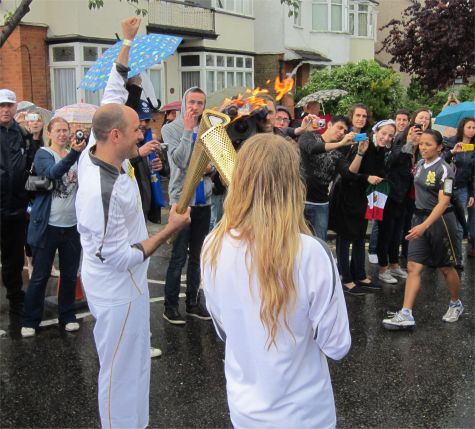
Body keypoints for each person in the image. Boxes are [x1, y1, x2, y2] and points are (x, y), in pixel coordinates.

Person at [75, 17, 190, 428]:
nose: (143, 132)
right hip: (117, 289)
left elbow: (113, 87)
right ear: (114, 136)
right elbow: (114, 256)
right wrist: (170, 230)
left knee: (137, 365)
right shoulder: (97, 192)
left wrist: (126, 41)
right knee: (118, 374)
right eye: (137, 130)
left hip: (134, 285)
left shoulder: (101, 141)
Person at [201, 133, 351, 428]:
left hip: (244, 410)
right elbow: (337, 345)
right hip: (305, 414)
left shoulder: (212, 246)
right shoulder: (311, 253)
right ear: (294, 184)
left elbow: (223, 330)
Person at [383, 130, 463, 329]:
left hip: (440, 222)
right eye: (422, 144)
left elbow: (444, 203)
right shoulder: (419, 164)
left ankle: (456, 303)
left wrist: (424, 225)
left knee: (445, 268)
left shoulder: (445, 170)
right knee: (413, 267)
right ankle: (406, 313)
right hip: (419, 219)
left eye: (429, 144)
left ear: (439, 147)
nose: (424, 147)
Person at [21, 117, 86, 337]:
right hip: (47, 225)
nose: (62, 134)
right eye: (57, 130)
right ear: (50, 133)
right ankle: (30, 320)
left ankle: (67, 315)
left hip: (72, 226)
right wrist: (74, 153)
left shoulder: (78, 156)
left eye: (65, 130)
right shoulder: (43, 154)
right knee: (40, 275)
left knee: (69, 274)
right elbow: (52, 173)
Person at [161, 87, 213, 324]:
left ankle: (192, 302)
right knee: (178, 256)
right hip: (181, 202)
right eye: (191, 102)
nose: (195, 107)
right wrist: (188, 130)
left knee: (198, 257)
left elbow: (214, 162)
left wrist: (210, 167)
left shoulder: (210, 128)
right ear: (184, 103)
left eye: (200, 103)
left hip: (204, 200)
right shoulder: (169, 129)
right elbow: (181, 161)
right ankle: (170, 305)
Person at [329, 104, 383, 295]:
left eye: (364, 115)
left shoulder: (367, 138)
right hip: (344, 193)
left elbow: (371, 166)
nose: (361, 118)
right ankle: (346, 278)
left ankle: (360, 274)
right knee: (344, 237)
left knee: (360, 236)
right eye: (357, 115)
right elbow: (346, 173)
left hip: (361, 194)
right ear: (351, 117)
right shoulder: (343, 139)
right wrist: (356, 149)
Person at [0, 89, 38, 316]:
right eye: (1, 105)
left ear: (15, 108)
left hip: (16, 207)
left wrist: (29, 199)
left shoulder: (23, 134)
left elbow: (31, 167)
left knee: (13, 258)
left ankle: (15, 299)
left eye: (9, 105)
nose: (5, 110)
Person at [299, 115, 355, 240]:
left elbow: (348, 173)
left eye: (345, 131)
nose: (341, 133)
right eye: (339, 128)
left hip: (320, 203)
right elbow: (313, 148)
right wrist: (340, 143)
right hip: (299, 200)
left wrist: (360, 153)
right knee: (297, 242)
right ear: (329, 125)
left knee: (320, 242)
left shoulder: (340, 150)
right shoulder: (309, 136)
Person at [371, 120, 410, 284]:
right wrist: (408, 143)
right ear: (376, 132)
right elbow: (388, 164)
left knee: (396, 233)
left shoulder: (395, 148)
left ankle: (394, 264)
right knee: (385, 233)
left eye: (390, 135)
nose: (386, 138)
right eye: (384, 133)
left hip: (401, 196)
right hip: (384, 195)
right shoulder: (376, 149)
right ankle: (382, 268)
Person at [442, 117, 475, 261]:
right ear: (462, 127)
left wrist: (472, 193)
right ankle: (443, 253)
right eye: (469, 127)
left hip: (463, 187)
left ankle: (458, 258)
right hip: (448, 185)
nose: (472, 130)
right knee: (445, 221)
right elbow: (441, 160)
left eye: (474, 128)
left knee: (461, 223)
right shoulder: (451, 142)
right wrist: (453, 152)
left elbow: (474, 173)